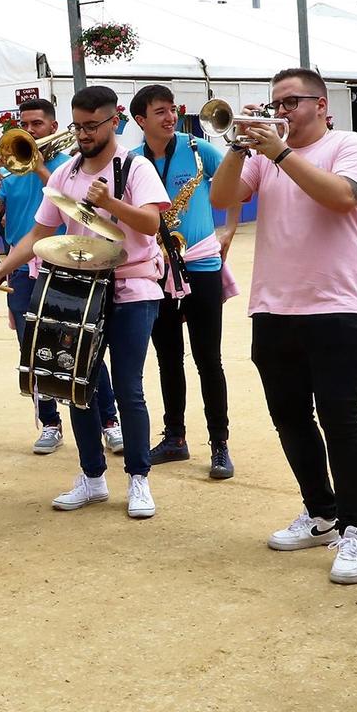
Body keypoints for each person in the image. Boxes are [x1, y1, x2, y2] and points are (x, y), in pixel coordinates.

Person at [208, 68, 357, 585]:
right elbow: (222, 199)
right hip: (274, 308)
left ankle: (356, 528)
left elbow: (342, 198)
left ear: (321, 104)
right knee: (290, 418)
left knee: (341, 418)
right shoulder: (264, 157)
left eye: (291, 102)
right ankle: (320, 512)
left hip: (339, 306)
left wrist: (280, 153)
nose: (280, 111)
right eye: (275, 102)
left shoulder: (349, 145)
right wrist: (240, 148)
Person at [0, 86, 167, 518]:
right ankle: (92, 477)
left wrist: (110, 203)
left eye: (91, 126)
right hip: (75, 292)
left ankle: (139, 479)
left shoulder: (136, 168)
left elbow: (152, 224)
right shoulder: (63, 176)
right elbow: (39, 236)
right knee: (77, 385)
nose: (82, 134)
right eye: (77, 126)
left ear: (113, 121)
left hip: (131, 288)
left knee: (129, 386)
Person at [0, 98, 120, 456]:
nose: (29, 131)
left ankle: (108, 420)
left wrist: (40, 169)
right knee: (33, 349)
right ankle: (50, 422)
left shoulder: (66, 169)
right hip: (23, 269)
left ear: (54, 128)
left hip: (64, 268)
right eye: (24, 124)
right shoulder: (10, 171)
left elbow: (63, 209)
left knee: (84, 350)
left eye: (36, 124)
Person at [129, 84, 235, 481]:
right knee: (167, 357)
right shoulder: (132, 161)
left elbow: (233, 185)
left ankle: (220, 443)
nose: (170, 116)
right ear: (141, 120)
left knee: (209, 358)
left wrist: (230, 229)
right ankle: (175, 436)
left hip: (202, 265)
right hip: (157, 270)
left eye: (172, 109)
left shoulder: (198, 149)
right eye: (160, 111)